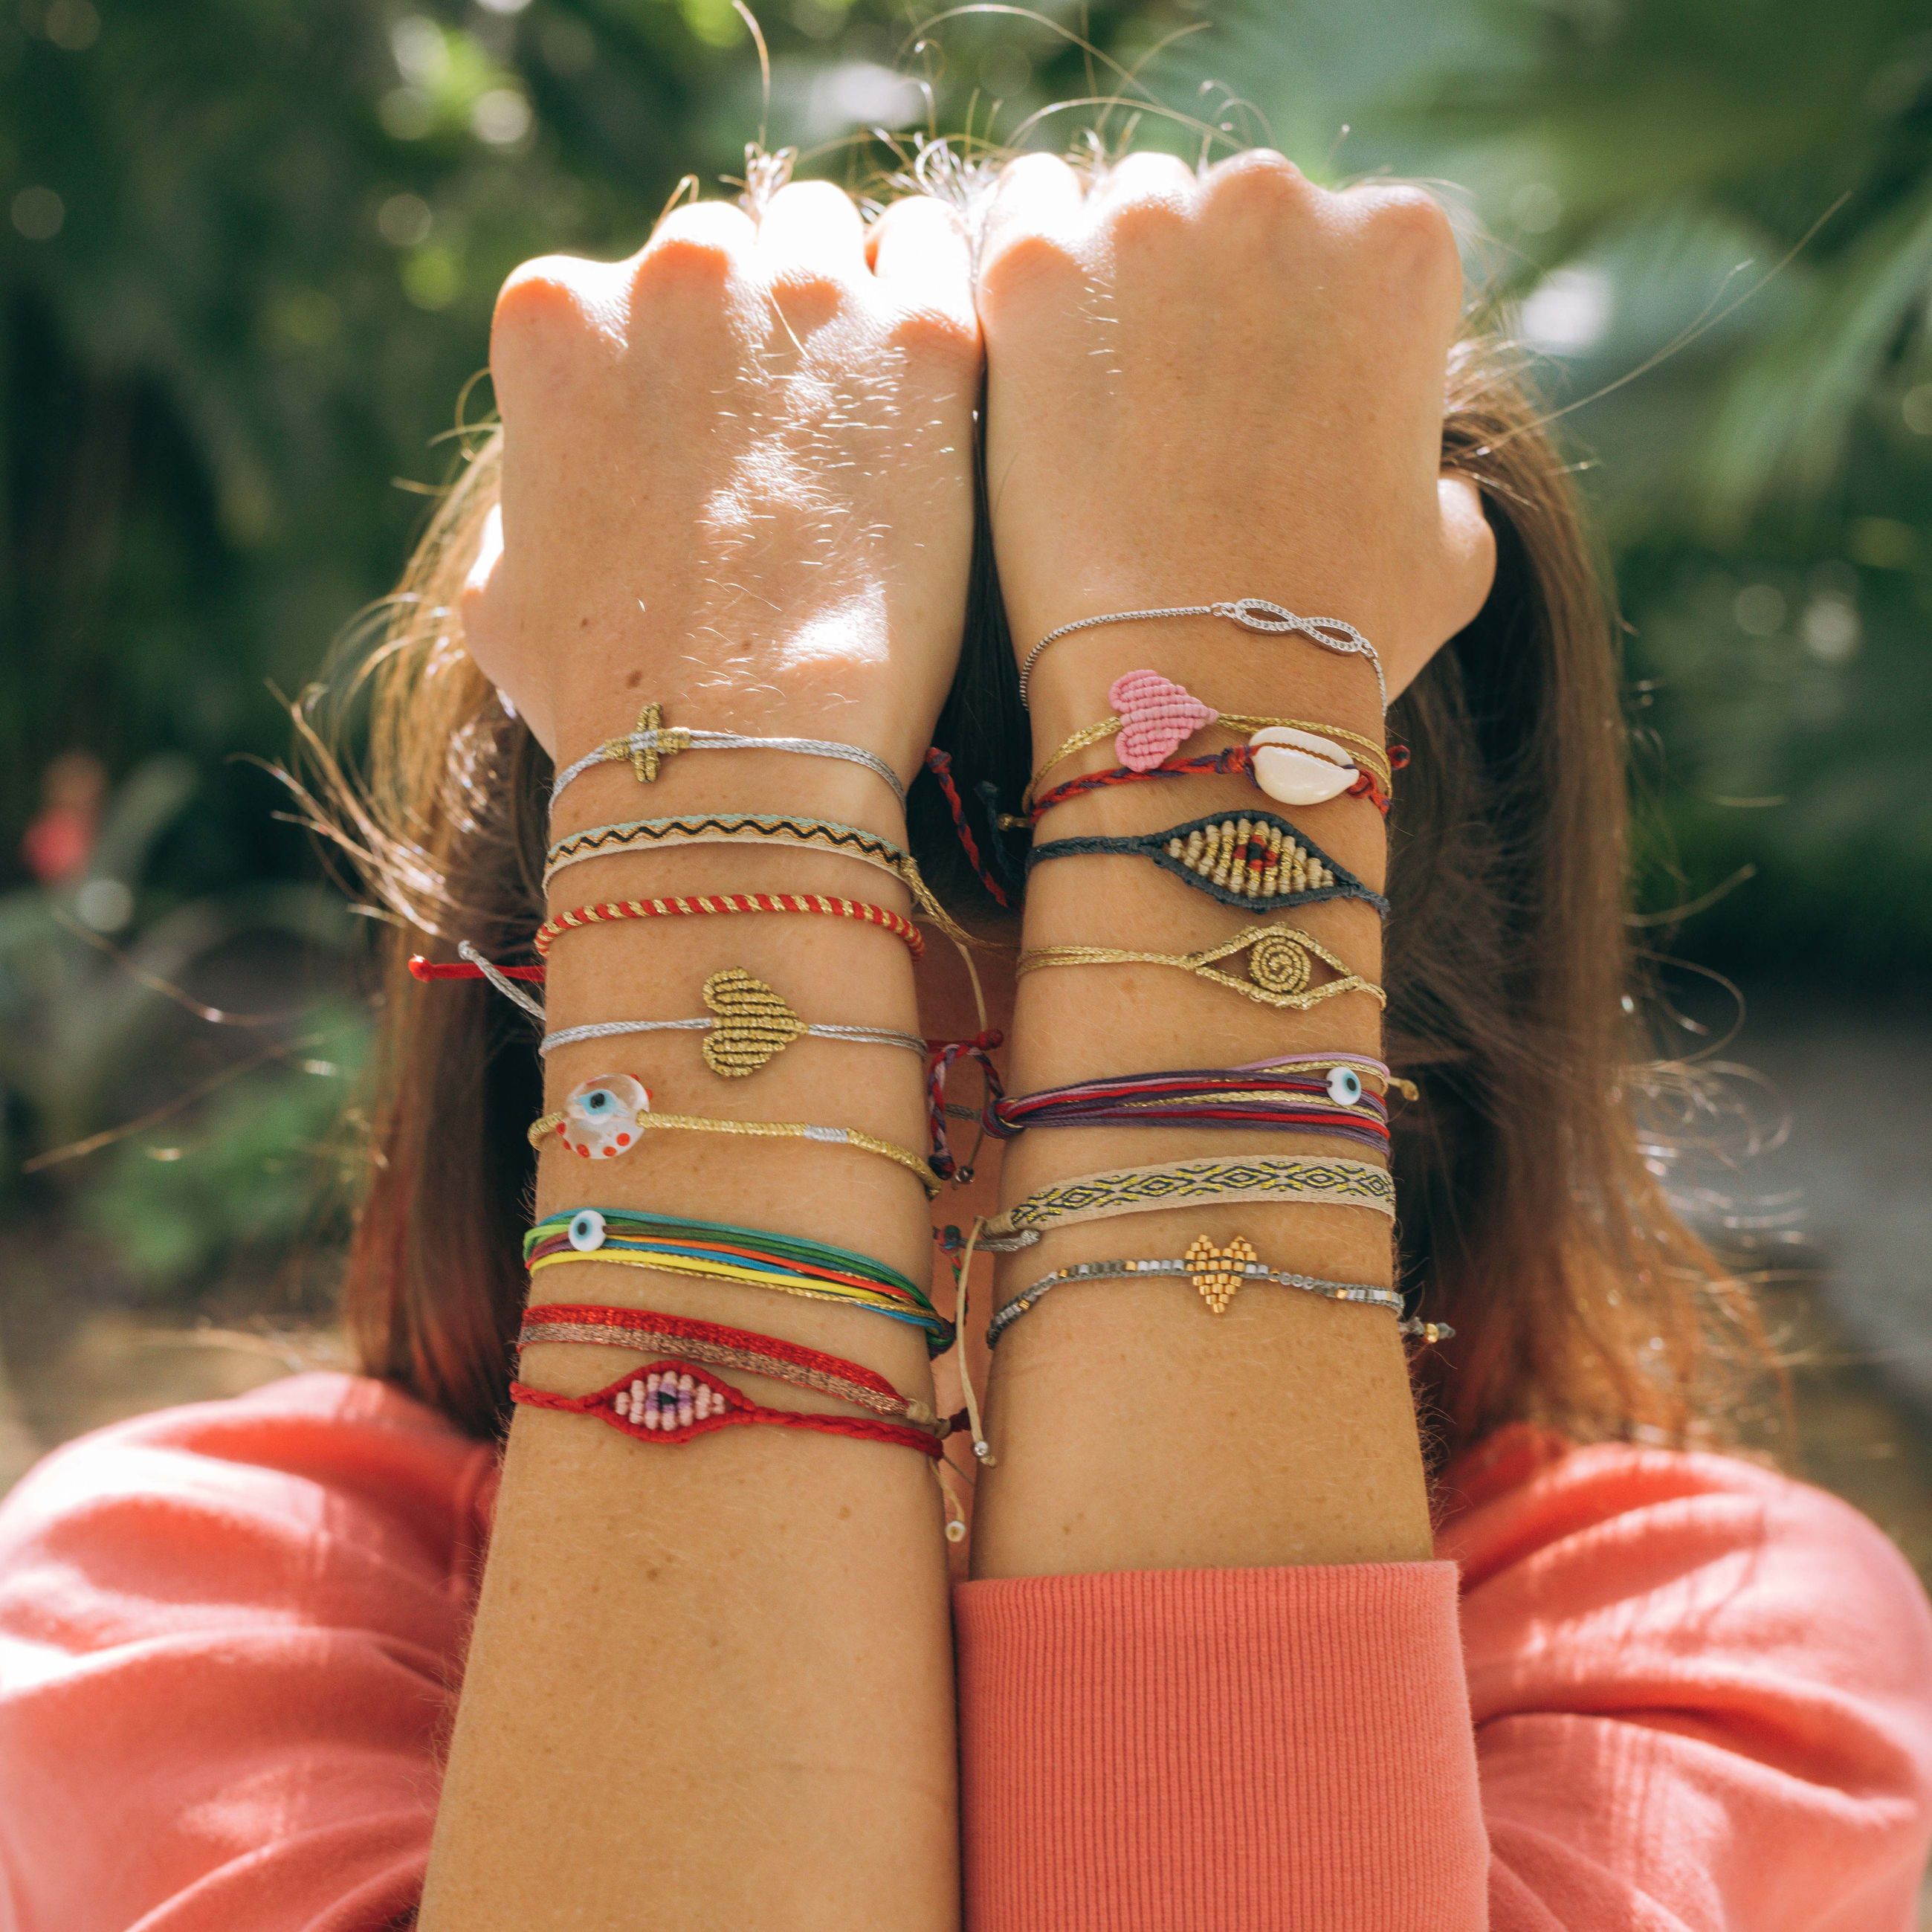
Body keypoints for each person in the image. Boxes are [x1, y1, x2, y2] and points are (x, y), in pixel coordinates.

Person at [1, 146, 1929, 1932]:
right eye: (877, 1099)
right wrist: (777, 781)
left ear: (1415, 1070)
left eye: (1051, 1103)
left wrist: (1124, 746)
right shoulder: (191, 1605)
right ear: (538, 1006)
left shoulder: (1717, 1652)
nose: (964, 1255)